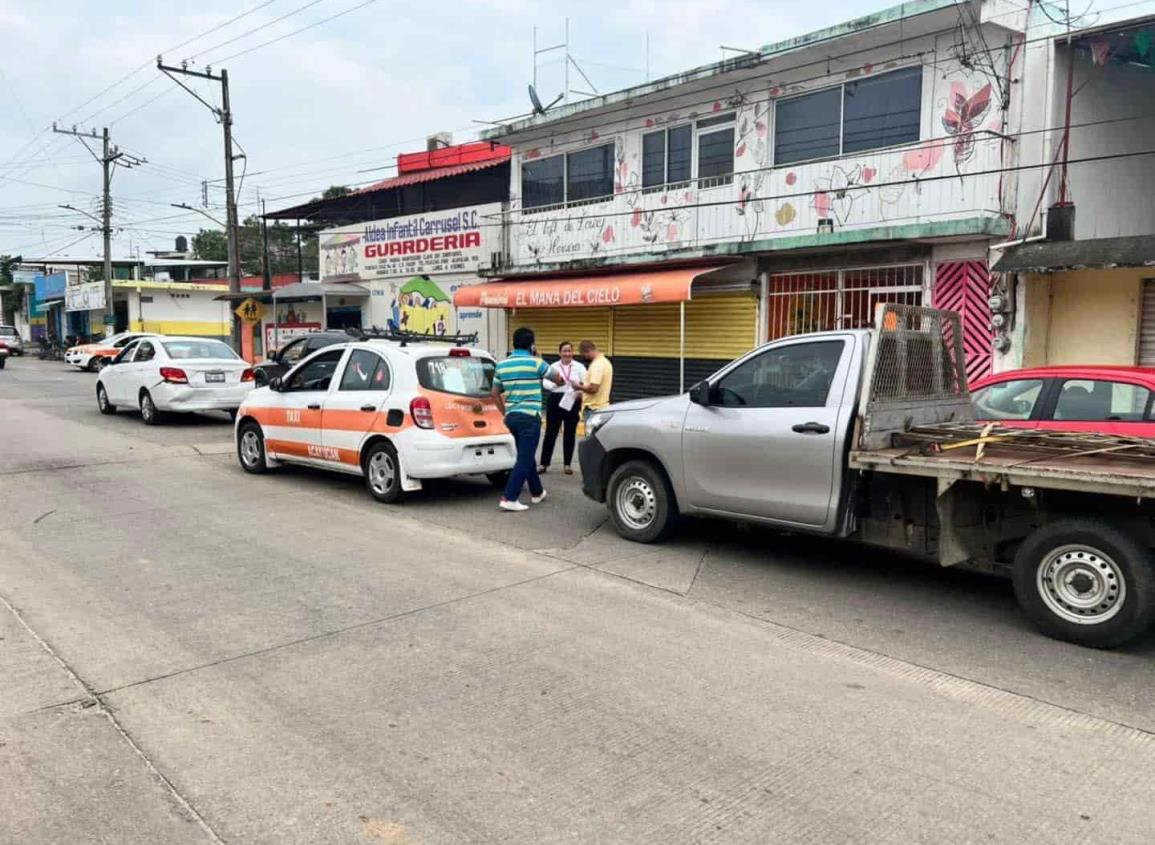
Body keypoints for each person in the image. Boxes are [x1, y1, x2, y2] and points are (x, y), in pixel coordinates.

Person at [492, 327, 564, 512]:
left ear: (513, 343)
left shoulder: (502, 365)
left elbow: (494, 393)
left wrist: (505, 413)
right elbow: (559, 380)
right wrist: (539, 356)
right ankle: (509, 497)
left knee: (526, 454)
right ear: (531, 344)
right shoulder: (536, 363)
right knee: (524, 458)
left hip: (512, 417)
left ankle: (537, 492)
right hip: (530, 417)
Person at [539, 340, 586, 475]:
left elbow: (585, 381)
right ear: (559, 353)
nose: (567, 354)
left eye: (569, 351)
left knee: (569, 432)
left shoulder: (579, 367)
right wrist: (555, 385)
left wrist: (580, 391)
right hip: (555, 399)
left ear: (573, 352)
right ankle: (544, 463)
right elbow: (545, 382)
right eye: (564, 351)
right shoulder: (553, 366)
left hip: (572, 399)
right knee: (550, 433)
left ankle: (567, 464)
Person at [577, 339, 614, 425]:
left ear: (587, 351)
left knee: (592, 437)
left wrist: (578, 387)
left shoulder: (597, 365)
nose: (584, 358)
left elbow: (593, 388)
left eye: (583, 355)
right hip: (602, 407)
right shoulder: (605, 362)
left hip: (594, 409)